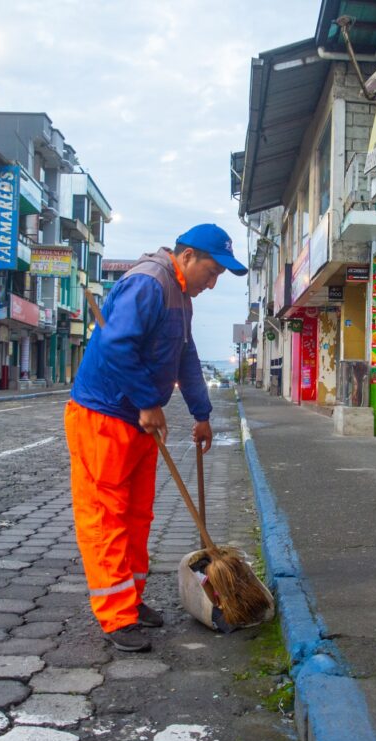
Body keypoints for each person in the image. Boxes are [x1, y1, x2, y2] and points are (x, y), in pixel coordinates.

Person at [65, 224, 247, 652]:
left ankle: (131, 598)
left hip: (139, 421)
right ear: (187, 257)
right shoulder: (148, 283)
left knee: (138, 514)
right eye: (212, 269)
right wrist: (149, 401)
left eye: (220, 274)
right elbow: (116, 347)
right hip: (104, 416)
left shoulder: (180, 296)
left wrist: (201, 414)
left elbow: (185, 354)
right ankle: (116, 617)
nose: (213, 281)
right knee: (107, 516)